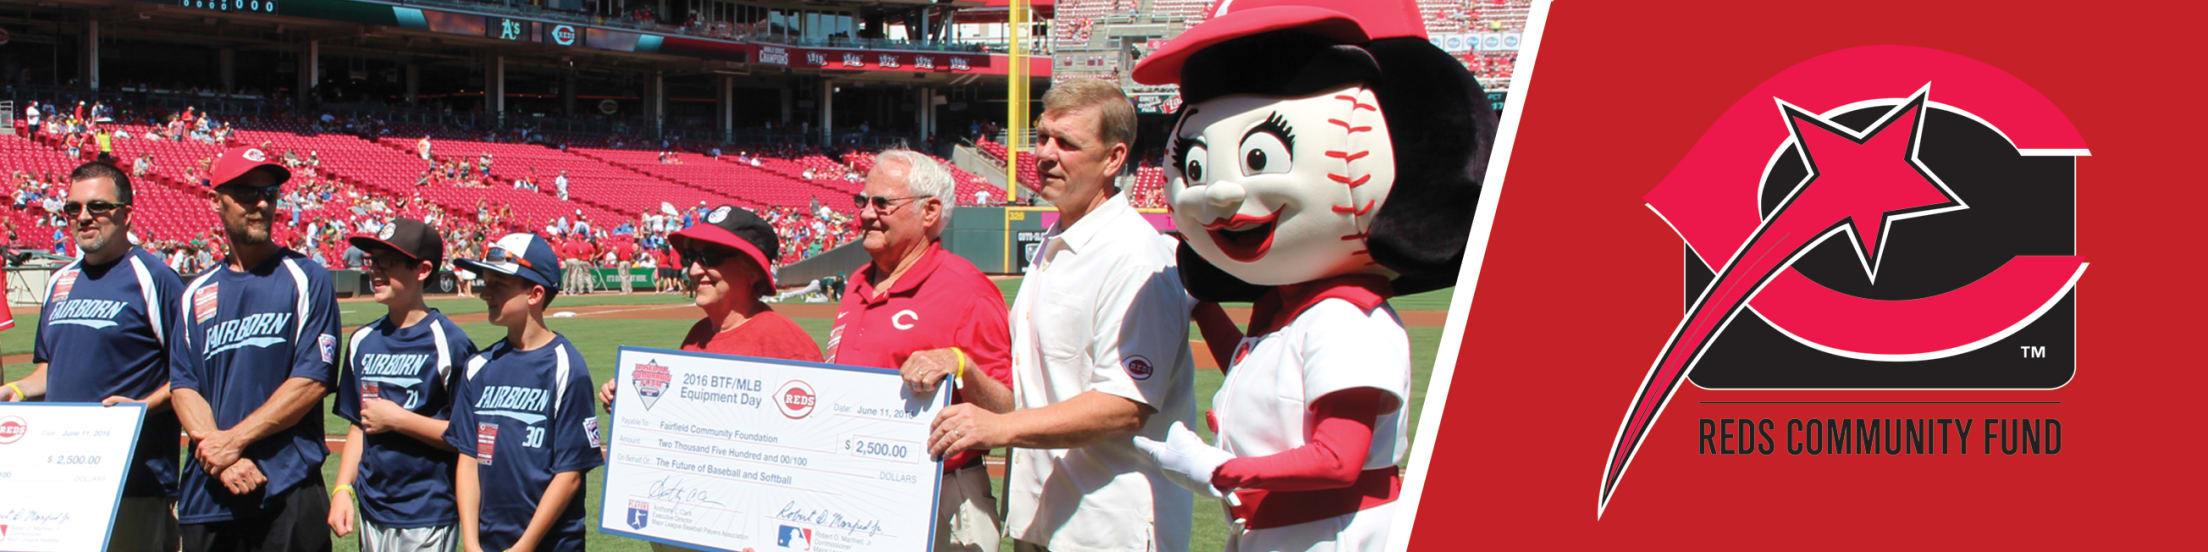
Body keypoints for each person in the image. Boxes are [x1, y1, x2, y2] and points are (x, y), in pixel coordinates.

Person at [1123, 3, 1493, 547]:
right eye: (1196, 168)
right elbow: (1267, 373)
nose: (1220, 195)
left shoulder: (1347, 317)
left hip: (1335, 531)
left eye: (1257, 159)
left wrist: (1218, 469)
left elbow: (1338, 459)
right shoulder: (1296, 312)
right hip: (1287, 531)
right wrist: (1199, 305)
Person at [923, 79, 1199, 552]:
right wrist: (965, 370)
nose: (1046, 154)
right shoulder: (1054, 244)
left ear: (1113, 159)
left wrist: (999, 429)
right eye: (1043, 137)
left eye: (1067, 143)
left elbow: (1125, 405)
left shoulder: (1135, 256)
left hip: (1106, 528)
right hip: (1040, 517)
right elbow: (1038, 394)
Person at [825, 150, 1015, 552]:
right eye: (863, 201)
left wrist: (960, 365)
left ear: (930, 211)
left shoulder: (968, 290)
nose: (865, 214)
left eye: (882, 203)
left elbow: (1008, 411)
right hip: (852, 490)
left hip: (940, 494)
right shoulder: (858, 283)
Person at [3, 161, 187, 551]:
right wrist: (15, 393)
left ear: (126, 214)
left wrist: (141, 407)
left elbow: (190, 376)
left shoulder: (155, 280)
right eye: (74, 208)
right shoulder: (59, 281)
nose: (84, 217)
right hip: (58, 481)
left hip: (135, 483)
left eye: (98, 207)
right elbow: (48, 372)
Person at [168, 146, 341, 551]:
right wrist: (222, 453)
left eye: (270, 193)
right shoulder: (195, 292)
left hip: (286, 487)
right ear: (216, 200)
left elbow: (312, 380)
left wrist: (233, 442)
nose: (261, 204)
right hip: (210, 491)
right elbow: (184, 385)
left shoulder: (306, 277)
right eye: (246, 193)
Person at [445, 233, 603, 552]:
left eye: (498, 285)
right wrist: (472, 542)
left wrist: (524, 546)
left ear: (535, 293)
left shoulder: (565, 367)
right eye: (484, 282)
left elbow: (570, 473)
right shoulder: (478, 366)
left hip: (551, 544)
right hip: (487, 540)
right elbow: (468, 458)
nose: (484, 294)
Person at [328, 218, 479, 551]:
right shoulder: (362, 341)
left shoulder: (450, 343)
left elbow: (468, 439)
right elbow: (359, 424)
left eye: (389, 262)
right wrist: (342, 489)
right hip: (372, 508)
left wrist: (399, 420)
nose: (376, 271)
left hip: (427, 511)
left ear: (422, 270)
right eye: (373, 261)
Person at [596, 203, 821, 414]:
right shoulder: (697, 335)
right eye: (690, 257)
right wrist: (630, 401)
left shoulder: (786, 344)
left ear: (752, 270)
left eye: (710, 257)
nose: (694, 270)